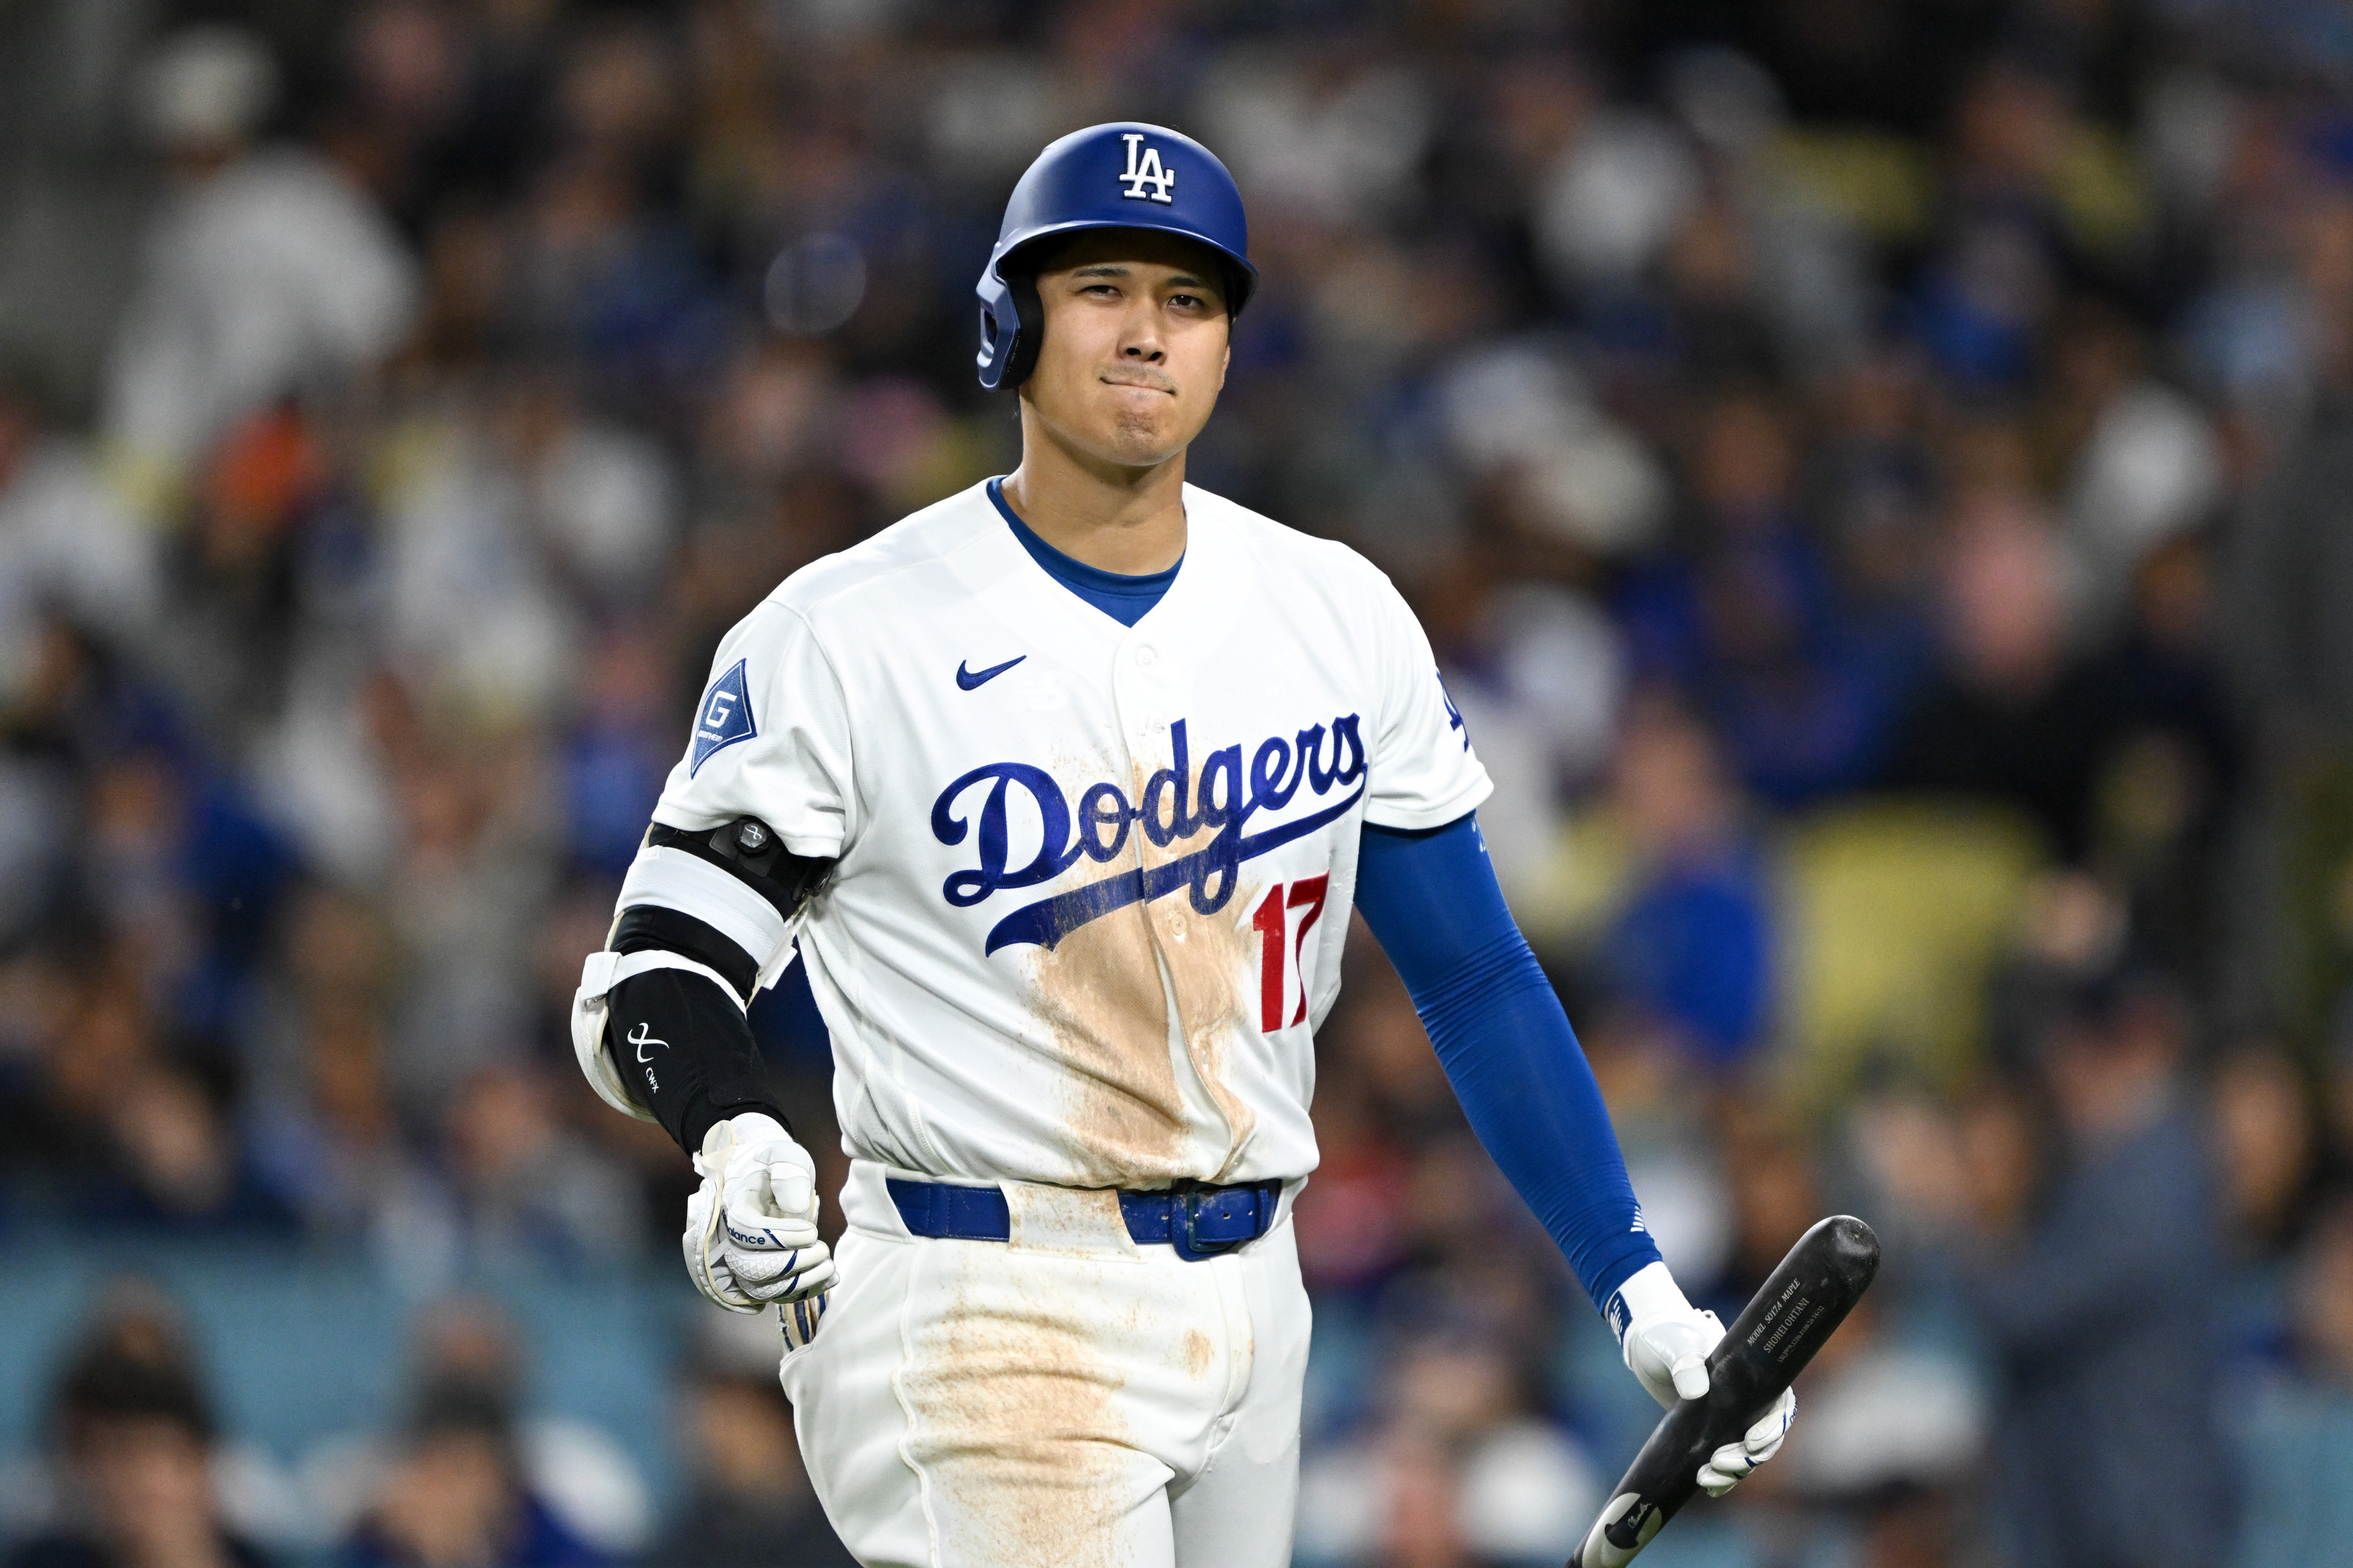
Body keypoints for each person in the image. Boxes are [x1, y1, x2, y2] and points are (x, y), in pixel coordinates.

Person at [568, 122, 1794, 1568]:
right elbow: (660, 971)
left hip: (1253, 1293)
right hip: (983, 1295)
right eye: (1102, 289)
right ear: (1010, 323)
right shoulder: (844, 634)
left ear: (1226, 349)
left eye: (1190, 300)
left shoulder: (1332, 613)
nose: (1148, 333)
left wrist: (1631, 1277)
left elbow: (1473, 979)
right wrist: (730, 1125)